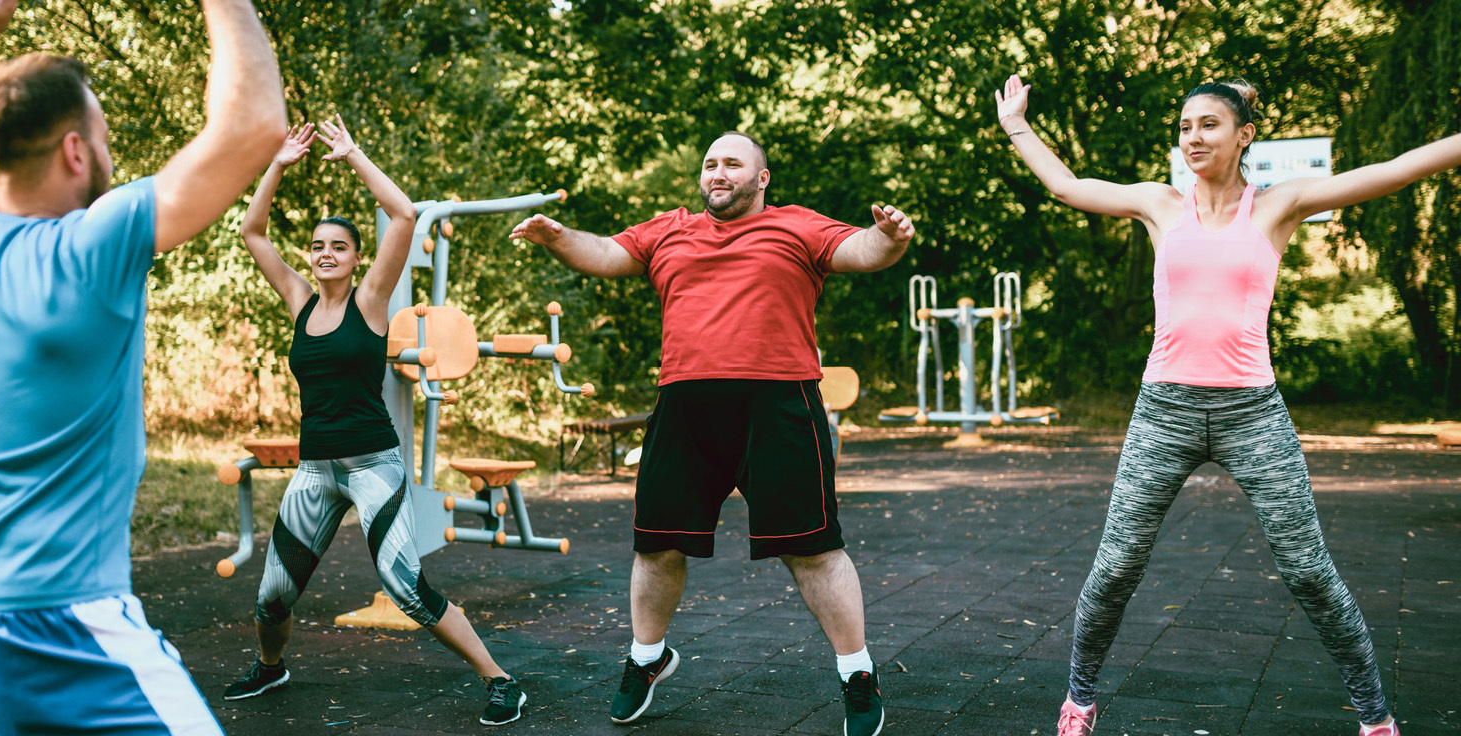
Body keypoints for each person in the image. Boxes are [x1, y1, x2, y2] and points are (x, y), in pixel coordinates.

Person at [994, 72, 1461, 736]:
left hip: (1252, 414)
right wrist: (1016, 122)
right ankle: (1079, 701)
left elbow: (1391, 171)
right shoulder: (1160, 205)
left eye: (1209, 125)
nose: (1194, 137)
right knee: (1117, 565)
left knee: (1308, 571)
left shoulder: (1277, 206)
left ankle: (1376, 718)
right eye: (1184, 127)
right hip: (1164, 411)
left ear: (1244, 136)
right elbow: (1067, 186)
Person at [0, 0, 286, 733]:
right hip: (51, 622)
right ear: (76, 152)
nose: (108, 153)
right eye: (103, 139)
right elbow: (256, 122)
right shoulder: (91, 249)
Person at [510, 131, 913, 736]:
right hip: (685, 404)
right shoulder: (668, 229)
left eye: (732, 164)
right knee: (658, 545)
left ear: (762, 178)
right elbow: (606, 254)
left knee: (812, 549)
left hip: (779, 403)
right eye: (709, 164)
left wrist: (888, 237)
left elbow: (861, 251)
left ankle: (857, 672)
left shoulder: (797, 227)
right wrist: (557, 237)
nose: (717, 173)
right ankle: (647, 659)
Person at [224, 116, 528, 726]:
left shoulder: (370, 301)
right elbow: (252, 231)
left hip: (371, 465)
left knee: (404, 586)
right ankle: (271, 667)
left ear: (358, 256)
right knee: (271, 596)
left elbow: (406, 216)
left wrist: (353, 153)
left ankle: (500, 681)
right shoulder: (298, 301)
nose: (326, 253)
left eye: (339, 246)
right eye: (318, 246)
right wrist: (279, 163)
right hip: (317, 468)